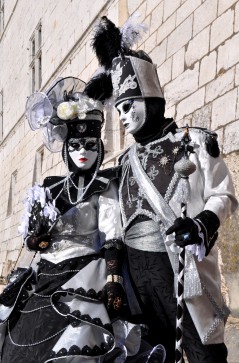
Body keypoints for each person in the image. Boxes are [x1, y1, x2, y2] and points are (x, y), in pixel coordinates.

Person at [89, 16, 238, 363]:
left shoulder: (194, 143)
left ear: (151, 98)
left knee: (204, 354)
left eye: (130, 106)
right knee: (153, 354)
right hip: (137, 283)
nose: (123, 116)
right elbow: (112, 222)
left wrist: (202, 222)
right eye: (119, 109)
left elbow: (223, 194)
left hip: (181, 273)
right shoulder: (123, 165)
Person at [0, 76, 138, 363]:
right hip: (45, 274)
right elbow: (32, 241)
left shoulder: (104, 186)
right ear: (66, 148)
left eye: (89, 144)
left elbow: (112, 235)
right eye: (75, 145)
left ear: (98, 147)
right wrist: (35, 239)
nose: (82, 152)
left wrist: (114, 279)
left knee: (76, 342)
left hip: (86, 273)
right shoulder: (50, 188)